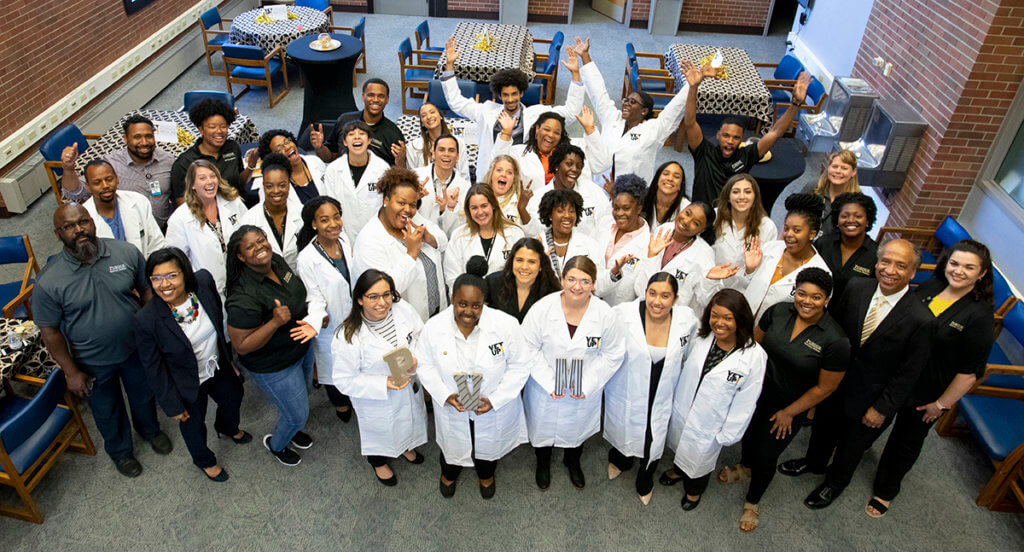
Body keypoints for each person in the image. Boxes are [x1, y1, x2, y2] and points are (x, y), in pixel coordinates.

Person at [794, 240, 933, 510]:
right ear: (877, 262)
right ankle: (813, 463)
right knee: (823, 429)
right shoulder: (857, 287)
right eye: (885, 262)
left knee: (850, 447)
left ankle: (835, 483)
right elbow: (831, 328)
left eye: (900, 265)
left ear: (913, 272)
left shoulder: (921, 319)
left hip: (871, 398)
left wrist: (882, 409)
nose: (890, 270)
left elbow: (908, 373)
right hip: (834, 382)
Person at [35, 204, 171, 477]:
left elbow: (146, 289)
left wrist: (150, 329)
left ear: (92, 223)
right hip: (92, 361)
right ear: (57, 234)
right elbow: (50, 332)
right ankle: (121, 452)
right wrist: (71, 373)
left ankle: (150, 430)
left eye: (83, 222)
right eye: (69, 227)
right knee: (107, 410)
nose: (79, 230)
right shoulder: (49, 281)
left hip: (135, 348)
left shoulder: (124, 251)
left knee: (143, 394)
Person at [865, 240, 994, 518]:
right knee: (874, 418)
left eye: (969, 267)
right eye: (955, 263)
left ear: (982, 273)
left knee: (906, 441)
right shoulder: (932, 286)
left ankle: (886, 490)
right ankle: (856, 452)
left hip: (928, 391)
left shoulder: (980, 315)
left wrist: (941, 405)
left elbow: (970, 371)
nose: (959, 271)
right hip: (897, 376)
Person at [718, 268, 848, 532]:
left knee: (767, 454)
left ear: (827, 299)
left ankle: (753, 502)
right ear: (794, 292)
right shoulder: (777, 311)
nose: (807, 301)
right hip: (755, 393)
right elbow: (753, 345)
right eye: (802, 294)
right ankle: (745, 467)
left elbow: (825, 388)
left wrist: (790, 412)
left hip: (789, 406)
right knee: (748, 436)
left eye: (816, 297)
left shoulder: (836, 340)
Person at [415, 264, 532, 499]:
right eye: (462, 304)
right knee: (452, 447)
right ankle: (449, 474)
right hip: (452, 404)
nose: (468, 311)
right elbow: (424, 364)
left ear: (485, 303)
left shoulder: (506, 325)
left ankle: (486, 475)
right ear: (452, 299)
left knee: (487, 448)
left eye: (476, 305)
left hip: (490, 405)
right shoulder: (434, 327)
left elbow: (520, 365)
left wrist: (496, 399)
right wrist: (443, 394)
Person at [134, 247, 249, 483]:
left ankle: (227, 428)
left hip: (217, 365)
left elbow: (217, 319)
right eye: (156, 278)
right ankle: (204, 460)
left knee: (234, 395)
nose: (164, 284)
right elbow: (153, 368)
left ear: (185, 273)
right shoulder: (146, 320)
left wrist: (228, 359)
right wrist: (172, 405)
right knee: (193, 426)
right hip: (185, 382)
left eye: (171, 275)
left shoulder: (203, 283)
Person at [521, 256, 626, 490]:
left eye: (585, 281)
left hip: (584, 387)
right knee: (543, 430)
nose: (577, 286)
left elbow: (613, 354)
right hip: (545, 387)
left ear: (594, 284)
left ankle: (572, 460)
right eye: (571, 279)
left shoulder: (605, 315)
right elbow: (527, 348)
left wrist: (586, 385)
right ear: (561, 279)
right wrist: (551, 384)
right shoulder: (542, 309)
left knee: (576, 430)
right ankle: (543, 462)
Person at [660, 289, 766, 511]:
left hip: (711, 424)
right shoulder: (701, 337)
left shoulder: (754, 356)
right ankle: (679, 471)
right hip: (684, 407)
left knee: (699, 461)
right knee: (679, 445)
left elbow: (747, 401)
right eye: (714, 315)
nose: (720, 323)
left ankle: (694, 491)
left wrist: (728, 433)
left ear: (741, 318)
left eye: (728, 317)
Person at [225, 226, 318, 467]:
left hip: (300, 347)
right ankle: (276, 445)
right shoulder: (242, 296)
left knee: (303, 398)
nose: (260, 247)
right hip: (274, 365)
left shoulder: (275, 261)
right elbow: (242, 345)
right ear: (241, 257)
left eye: (261, 240)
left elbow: (296, 293)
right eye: (250, 247)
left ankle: (293, 428)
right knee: (297, 413)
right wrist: (275, 322)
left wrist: (313, 317)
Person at [604, 273, 700, 505]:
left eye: (665, 296)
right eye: (652, 294)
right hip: (628, 387)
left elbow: (691, 354)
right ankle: (621, 460)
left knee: (653, 435)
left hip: (663, 390)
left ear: (675, 299)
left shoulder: (687, 320)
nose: (657, 301)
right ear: (644, 293)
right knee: (624, 426)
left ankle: (645, 477)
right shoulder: (623, 314)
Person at [332, 269, 428, 485]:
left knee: (409, 421)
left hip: (408, 382)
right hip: (377, 399)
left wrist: (416, 359)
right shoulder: (347, 335)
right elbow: (343, 379)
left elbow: (422, 337)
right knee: (380, 433)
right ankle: (378, 462)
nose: (382, 302)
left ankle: (405, 447)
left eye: (386, 294)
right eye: (373, 297)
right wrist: (382, 383)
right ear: (359, 299)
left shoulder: (403, 309)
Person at [441, 36, 585, 172]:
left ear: (521, 93)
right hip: (490, 171)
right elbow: (456, 103)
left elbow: (570, 113)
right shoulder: (486, 111)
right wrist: (449, 66)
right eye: (505, 95)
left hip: (519, 173)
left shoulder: (535, 115)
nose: (510, 99)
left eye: (514, 94)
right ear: (499, 95)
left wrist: (575, 75)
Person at [685, 65, 812, 206]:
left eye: (736, 137)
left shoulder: (746, 155)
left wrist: (795, 104)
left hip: (729, 218)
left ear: (741, 140)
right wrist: (693, 88)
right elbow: (690, 123)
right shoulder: (703, 151)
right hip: (700, 216)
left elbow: (775, 132)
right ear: (718, 135)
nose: (730, 141)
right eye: (726, 135)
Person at [574, 37, 692, 181]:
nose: (626, 104)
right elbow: (598, 92)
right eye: (626, 100)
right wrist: (585, 56)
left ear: (644, 111)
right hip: (602, 187)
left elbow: (674, 110)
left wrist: (691, 86)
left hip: (633, 194)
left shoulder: (652, 130)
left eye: (633, 102)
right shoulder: (613, 118)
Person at [705, 193, 831, 323]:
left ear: (812, 234)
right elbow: (742, 286)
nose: (789, 235)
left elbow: (811, 317)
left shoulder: (821, 273)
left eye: (797, 230)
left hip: (773, 336)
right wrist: (750, 270)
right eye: (786, 229)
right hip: (741, 322)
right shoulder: (771, 248)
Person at [353, 166, 448, 321]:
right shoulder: (369, 241)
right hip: (405, 322)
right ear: (386, 200)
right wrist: (411, 255)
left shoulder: (412, 219)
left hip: (436, 313)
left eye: (412, 204)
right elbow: (383, 293)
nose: (408, 210)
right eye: (401, 203)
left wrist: (429, 237)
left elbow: (443, 241)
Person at [295, 196, 355, 423]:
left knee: (355, 359)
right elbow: (314, 297)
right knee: (334, 367)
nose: (333, 224)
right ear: (313, 224)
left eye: (336, 217)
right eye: (324, 220)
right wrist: (315, 320)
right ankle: (340, 403)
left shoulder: (345, 240)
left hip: (355, 316)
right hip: (332, 321)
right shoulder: (307, 259)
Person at [493, 104, 610, 218]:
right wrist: (507, 132)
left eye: (556, 132)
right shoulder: (519, 152)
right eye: (547, 129)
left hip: (572, 212)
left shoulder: (575, 150)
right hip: (532, 213)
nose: (551, 135)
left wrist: (590, 129)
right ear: (537, 129)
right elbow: (496, 165)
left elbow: (602, 163)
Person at [60, 114, 176, 228]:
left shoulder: (168, 160)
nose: (144, 142)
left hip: (165, 229)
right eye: (137, 137)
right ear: (125, 139)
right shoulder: (110, 165)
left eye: (148, 136)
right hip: (130, 233)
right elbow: (75, 193)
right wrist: (68, 168)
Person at [165, 160, 248, 298]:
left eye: (212, 176)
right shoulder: (180, 218)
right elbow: (177, 260)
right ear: (192, 185)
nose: (209, 182)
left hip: (242, 282)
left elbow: (249, 233)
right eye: (202, 178)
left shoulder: (233, 202)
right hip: (206, 289)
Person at [634, 202, 717, 311]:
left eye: (696, 223)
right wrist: (652, 257)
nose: (686, 221)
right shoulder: (664, 229)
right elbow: (641, 286)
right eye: (687, 213)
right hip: (643, 305)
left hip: (675, 316)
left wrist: (710, 281)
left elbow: (705, 301)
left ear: (701, 231)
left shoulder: (704, 254)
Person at [523, 138, 611, 238]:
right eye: (569, 164)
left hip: (589, 250)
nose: (574, 169)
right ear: (556, 165)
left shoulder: (592, 190)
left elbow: (606, 222)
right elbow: (535, 233)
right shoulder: (538, 197)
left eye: (579, 166)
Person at [443, 183, 526, 289]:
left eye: (484, 206)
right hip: (471, 300)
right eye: (474, 208)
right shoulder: (458, 236)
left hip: (504, 299)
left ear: (493, 205)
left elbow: (521, 272)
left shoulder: (515, 233)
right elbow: (452, 277)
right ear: (468, 210)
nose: (480, 212)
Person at [171, 99, 254, 204]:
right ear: (200, 129)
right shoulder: (184, 163)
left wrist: (251, 166)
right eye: (212, 127)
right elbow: (182, 203)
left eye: (223, 126)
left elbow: (239, 183)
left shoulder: (232, 147)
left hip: (237, 206)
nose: (219, 131)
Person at [321, 120, 391, 241]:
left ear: (369, 140)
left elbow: (387, 205)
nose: (357, 137)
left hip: (375, 236)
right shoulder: (333, 170)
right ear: (344, 142)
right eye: (351, 134)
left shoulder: (383, 169)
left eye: (362, 133)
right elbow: (329, 206)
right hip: (342, 235)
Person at [81, 159, 165, 258]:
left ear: (117, 179)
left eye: (109, 179)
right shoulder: (82, 216)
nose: (105, 185)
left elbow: (156, 243)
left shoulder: (138, 201)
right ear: (88, 186)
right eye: (97, 182)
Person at [314, 78, 405, 166]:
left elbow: (396, 174)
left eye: (381, 96)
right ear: (363, 97)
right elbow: (329, 157)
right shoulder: (344, 120)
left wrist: (401, 164)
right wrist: (319, 148)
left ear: (387, 100)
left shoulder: (393, 135)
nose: (376, 100)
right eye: (371, 95)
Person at [240, 153, 303, 270]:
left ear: (289, 185)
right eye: (269, 186)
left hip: (300, 280)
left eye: (282, 185)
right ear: (263, 186)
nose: (276, 191)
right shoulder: (249, 219)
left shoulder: (302, 213)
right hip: (266, 283)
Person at [814, 192, 878, 307]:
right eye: (844, 216)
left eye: (858, 216)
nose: (850, 220)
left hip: (850, 316)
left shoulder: (876, 254)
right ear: (837, 220)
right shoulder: (823, 243)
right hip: (815, 308)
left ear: (868, 221)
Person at [598, 174, 651, 306]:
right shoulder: (604, 224)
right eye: (616, 208)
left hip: (618, 308)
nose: (619, 213)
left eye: (626, 208)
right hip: (590, 298)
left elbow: (642, 290)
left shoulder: (648, 243)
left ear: (638, 209)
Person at [442, 154, 528, 234]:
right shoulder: (474, 197)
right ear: (491, 174)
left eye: (509, 172)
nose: (503, 175)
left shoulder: (520, 203)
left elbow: (531, 234)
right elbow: (452, 232)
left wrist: (522, 210)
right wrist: (451, 207)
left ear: (514, 179)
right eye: (499, 170)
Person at [534, 189, 605, 283]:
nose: (567, 216)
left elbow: (598, 283)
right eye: (560, 211)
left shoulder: (590, 245)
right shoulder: (536, 244)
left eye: (572, 211)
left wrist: (613, 275)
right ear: (550, 215)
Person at [484, 237, 561, 323]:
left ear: (541, 266)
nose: (524, 267)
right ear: (512, 261)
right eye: (519, 260)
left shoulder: (552, 292)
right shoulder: (493, 282)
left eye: (532, 262)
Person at [712, 174, 777, 268]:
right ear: (728, 197)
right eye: (735, 192)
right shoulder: (715, 216)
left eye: (747, 192)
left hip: (749, 281)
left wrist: (750, 270)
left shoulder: (767, 226)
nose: (742, 196)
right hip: (712, 280)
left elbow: (768, 264)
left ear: (755, 197)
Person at [252, 129, 327, 206]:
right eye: (279, 149)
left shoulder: (315, 161)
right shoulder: (271, 185)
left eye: (287, 141)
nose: (287, 147)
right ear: (273, 158)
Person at [414, 134, 471, 227]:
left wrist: (446, 210)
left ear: (457, 157)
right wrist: (414, 199)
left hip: (446, 240)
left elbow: (461, 227)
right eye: (441, 150)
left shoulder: (465, 187)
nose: (446, 154)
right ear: (433, 153)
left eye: (451, 150)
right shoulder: (415, 177)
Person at [406, 102, 470, 180]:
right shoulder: (413, 147)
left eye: (432, 112)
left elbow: (464, 175)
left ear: (440, 116)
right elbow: (413, 178)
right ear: (422, 123)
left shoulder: (459, 143)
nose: (429, 117)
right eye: (424, 115)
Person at [812, 150, 861, 227]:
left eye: (844, 168)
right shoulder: (813, 187)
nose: (838, 171)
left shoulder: (858, 202)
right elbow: (794, 216)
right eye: (835, 166)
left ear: (853, 172)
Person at [641, 161, 690, 229]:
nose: (670, 179)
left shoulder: (686, 209)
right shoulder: (643, 198)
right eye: (666, 174)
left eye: (676, 177)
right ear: (657, 178)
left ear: (680, 185)